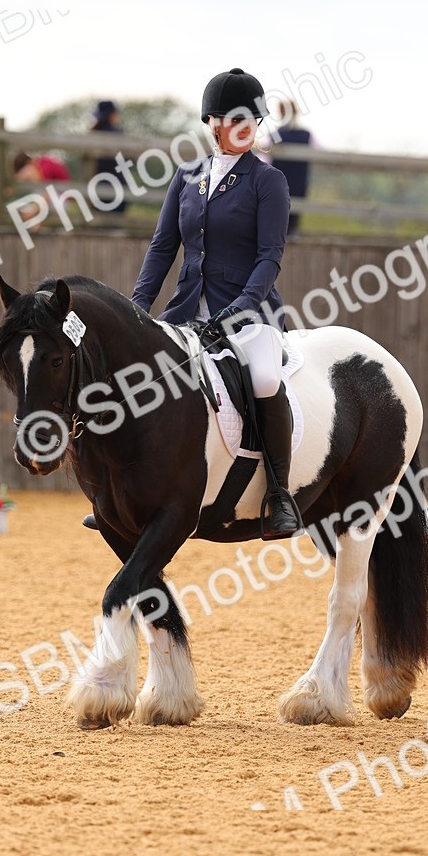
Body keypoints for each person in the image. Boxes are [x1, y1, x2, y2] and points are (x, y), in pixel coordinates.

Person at [130, 67, 302, 540]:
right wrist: (137, 309)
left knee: (265, 380)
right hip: (187, 312)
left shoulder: (268, 182)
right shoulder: (187, 177)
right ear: (213, 121)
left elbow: (271, 257)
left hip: (250, 315)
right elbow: (163, 247)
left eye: (253, 120)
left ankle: (280, 494)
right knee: (138, 373)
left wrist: (240, 307)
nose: (247, 129)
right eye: (234, 119)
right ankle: (125, 492)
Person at [269, 100, 316, 236]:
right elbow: (320, 151)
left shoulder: (276, 134)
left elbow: (265, 156)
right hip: (299, 181)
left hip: (278, 181)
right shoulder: (306, 135)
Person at [91, 99, 126, 215]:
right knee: (115, 221)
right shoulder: (118, 134)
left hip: (97, 184)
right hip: (117, 185)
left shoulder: (93, 133)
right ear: (111, 115)